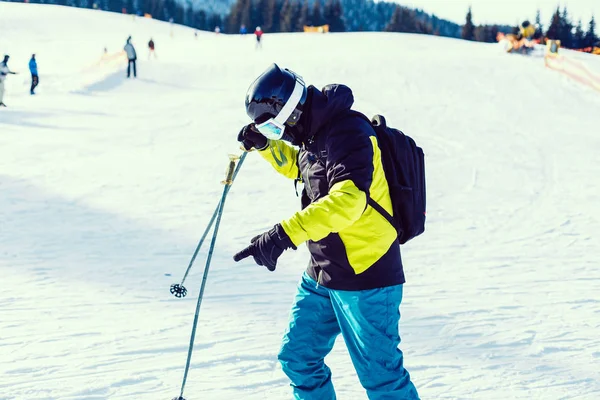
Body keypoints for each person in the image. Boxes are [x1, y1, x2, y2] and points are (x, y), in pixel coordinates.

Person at [234, 63, 420, 400]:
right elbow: (303, 169)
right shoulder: (311, 133)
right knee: (299, 359)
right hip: (323, 272)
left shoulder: (348, 133)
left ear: (289, 113)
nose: (278, 135)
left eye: (275, 129)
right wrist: (267, 146)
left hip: (368, 273)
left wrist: (283, 235)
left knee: (382, 380)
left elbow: (348, 201)